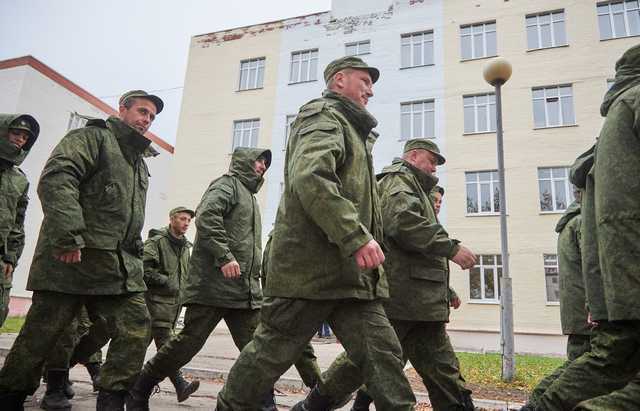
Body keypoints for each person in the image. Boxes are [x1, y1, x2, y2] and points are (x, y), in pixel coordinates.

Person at [214, 56, 416, 410]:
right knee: (269, 353)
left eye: (372, 84)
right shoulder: (323, 116)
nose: (370, 89)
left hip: (351, 277)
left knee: (384, 354)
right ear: (339, 81)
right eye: (364, 81)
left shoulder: (354, 132)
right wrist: (355, 236)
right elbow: (312, 177)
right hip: (308, 271)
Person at [0, 90, 163, 410]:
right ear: (123, 109)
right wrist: (68, 235)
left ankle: (112, 399)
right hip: (70, 259)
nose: (146, 120)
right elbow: (58, 178)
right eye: (142, 111)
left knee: (136, 327)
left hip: (117, 266)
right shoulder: (91, 138)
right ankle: (10, 396)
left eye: (152, 117)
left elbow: (129, 219)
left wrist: (137, 255)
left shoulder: (139, 162)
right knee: (41, 335)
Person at [300, 139, 477, 411]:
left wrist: (445, 291)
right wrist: (451, 248)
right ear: (414, 156)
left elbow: (418, 249)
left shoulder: (416, 186)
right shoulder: (398, 180)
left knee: (444, 371)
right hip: (401, 299)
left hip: (422, 303)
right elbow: (403, 223)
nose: (435, 168)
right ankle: (314, 405)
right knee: (361, 363)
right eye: (432, 161)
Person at [534, 44, 640, 411]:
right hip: (612, 293)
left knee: (607, 364)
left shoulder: (610, 134)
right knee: (602, 364)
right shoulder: (632, 106)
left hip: (613, 292)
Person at [127, 147, 273, 410]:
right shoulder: (227, 185)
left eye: (265, 163)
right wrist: (225, 256)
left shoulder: (250, 197)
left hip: (243, 291)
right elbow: (206, 215)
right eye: (258, 161)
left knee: (258, 349)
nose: (262, 166)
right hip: (213, 288)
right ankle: (140, 388)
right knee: (187, 344)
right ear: (244, 162)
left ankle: (266, 403)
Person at [520, 191, 590, 410]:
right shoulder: (581, 223)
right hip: (590, 314)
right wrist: (595, 305)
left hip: (582, 312)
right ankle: (535, 406)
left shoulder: (573, 222)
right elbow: (595, 267)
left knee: (580, 366)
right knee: (583, 368)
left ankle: (535, 404)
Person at [142, 206, 200, 402]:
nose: (186, 223)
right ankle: (180, 385)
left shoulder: (185, 247)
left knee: (133, 350)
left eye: (188, 221)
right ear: (172, 219)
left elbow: (187, 276)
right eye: (182, 219)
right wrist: (167, 282)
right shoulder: (157, 242)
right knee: (167, 349)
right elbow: (143, 269)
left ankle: (107, 378)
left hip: (172, 309)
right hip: (155, 306)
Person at [0, 114, 39, 327]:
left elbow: (17, 223)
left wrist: (10, 258)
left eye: (25, 137)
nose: (20, 140)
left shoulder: (19, 178)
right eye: (16, 133)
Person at [430, 185, 461, 310]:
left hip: (436, 298)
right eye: (434, 200)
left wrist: (449, 292)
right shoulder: (423, 225)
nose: (438, 205)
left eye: (440, 202)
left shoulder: (436, 224)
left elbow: (436, 267)